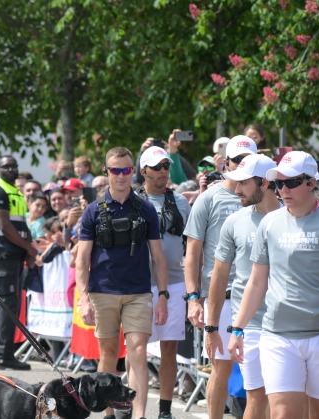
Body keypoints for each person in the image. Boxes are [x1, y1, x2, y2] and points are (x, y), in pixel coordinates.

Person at [229, 151, 319, 419]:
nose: (283, 189)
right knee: (282, 414)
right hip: (279, 334)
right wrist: (237, 329)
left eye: (291, 183)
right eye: (278, 183)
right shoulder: (270, 223)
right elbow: (257, 282)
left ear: (310, 182)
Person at [76, 146, 168, 419]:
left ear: (134, 172)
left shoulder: (146, 209)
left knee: (138, 352)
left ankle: (138, 416)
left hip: (138, 292)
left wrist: (162, 294)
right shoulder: (93, 211)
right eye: (115, 170)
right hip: (102, 291)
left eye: (126, 170)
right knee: (108, 355)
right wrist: (83, 297)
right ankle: (109, 414)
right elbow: (82, 259)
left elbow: (158, 258)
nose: (121, 176)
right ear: (106, 172)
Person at [183, 135, 257, 419]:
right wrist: (193, 298)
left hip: (257, 295)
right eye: (237, 160)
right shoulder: (209, 198)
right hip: (221, 296)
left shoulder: (262, 196)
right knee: (222, 368)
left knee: (257, 372)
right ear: (226, 163)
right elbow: (193, 251)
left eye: (248, 161)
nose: (242, 166)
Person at [205, 154, 279, 419]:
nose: (237, 190)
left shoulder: (292, 217)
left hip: (289, 326)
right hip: (250, 326)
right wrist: (212, 327)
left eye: (244, 184)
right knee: (257, 397)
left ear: (265, 183)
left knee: (291, 401)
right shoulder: (234, 221)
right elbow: (218, 277)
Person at [136, 146, 191, 419]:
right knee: (138, 349)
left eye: (166, 166)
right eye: (156, 167)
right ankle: (137, 410)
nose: (162, 172)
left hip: (175, 283)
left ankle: (165, 411)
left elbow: (192, 245)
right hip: (140, 285)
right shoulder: (133, 201)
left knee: (169, 348)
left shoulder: (181, 202)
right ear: (143, 170)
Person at [0, 155, 38, 371]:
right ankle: (3, 354)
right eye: (6, 166)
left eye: (14, 166)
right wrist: (28, 248)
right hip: (4, 254)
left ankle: (3, 354)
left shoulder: (15, 192)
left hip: (14, 254)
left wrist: (28, 247)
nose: (11, 169)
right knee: (9, 304)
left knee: (12, 303)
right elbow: (5, 226)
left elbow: (21, 225)